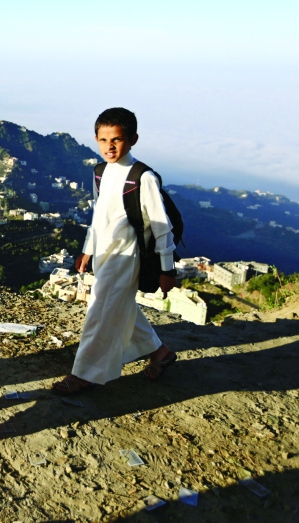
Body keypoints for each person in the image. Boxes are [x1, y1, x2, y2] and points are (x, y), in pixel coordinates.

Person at [53, 107, 177, 394]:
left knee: (100, 311)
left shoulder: (142, 177)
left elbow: (162, 227)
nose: (109, 146)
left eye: (117, 139)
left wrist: (167, 269)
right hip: (106, 254)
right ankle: (160, 354)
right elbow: (99, 216)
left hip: (129, 256)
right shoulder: (100, 172)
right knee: (117, 306)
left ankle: (84, 374)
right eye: (103, 139)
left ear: (133, 139)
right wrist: (88, 250)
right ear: (96, 139)